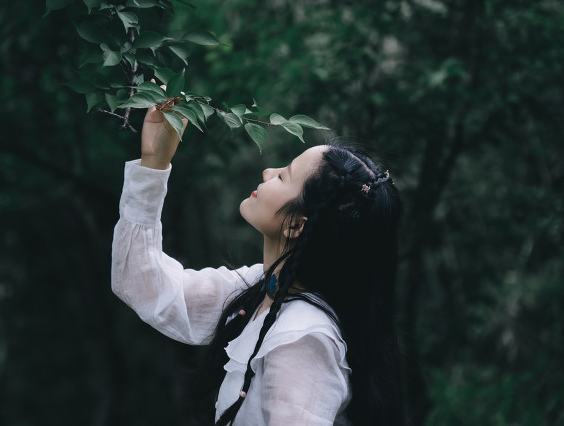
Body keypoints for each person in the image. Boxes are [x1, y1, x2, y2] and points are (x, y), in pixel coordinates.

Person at [111, 99, 404, 425]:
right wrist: (153, 164)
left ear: (296, 224)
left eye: (283, 176)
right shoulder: (261, 289)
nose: (267, 171)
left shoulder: (302, 337)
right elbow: (145, 284)